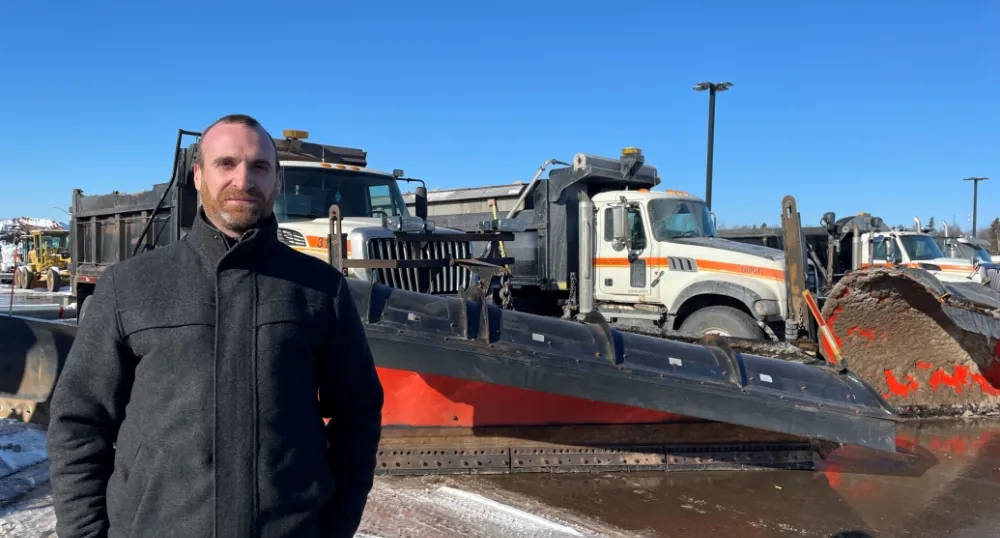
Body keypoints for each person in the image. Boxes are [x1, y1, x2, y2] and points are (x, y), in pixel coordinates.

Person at [46, 114, 385, 538]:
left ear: (277, 180)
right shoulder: (129, 286)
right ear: (198, 176)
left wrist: (335, 526)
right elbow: (79, 422)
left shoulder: (321, 289)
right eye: (226, 163)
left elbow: (358, 412)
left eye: (259, 166)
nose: (243, 180)